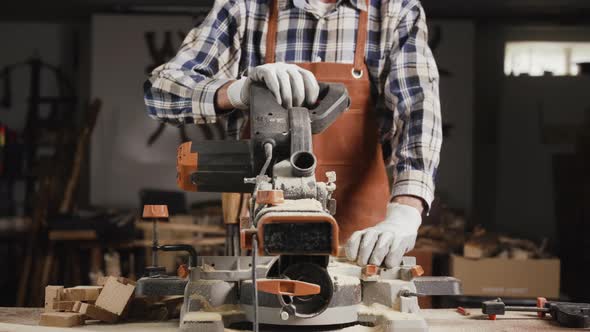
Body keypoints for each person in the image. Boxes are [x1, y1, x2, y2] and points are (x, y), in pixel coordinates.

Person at [144, 0, 442, 268]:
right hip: (262, 246)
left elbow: (418, 108)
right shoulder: (244, 8)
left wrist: (406, 211)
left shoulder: (393, 10)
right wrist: (236, 91)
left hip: (361, 248)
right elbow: (160, 93)